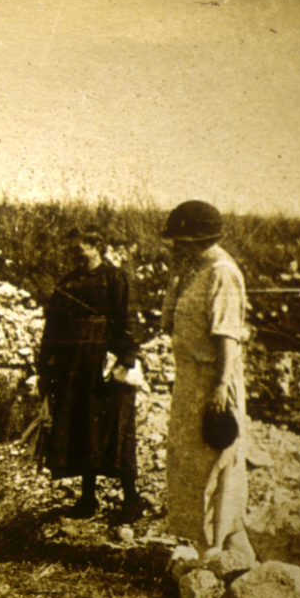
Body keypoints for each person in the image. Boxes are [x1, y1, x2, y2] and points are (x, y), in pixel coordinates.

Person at [160, 200, 256, 561]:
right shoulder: (194, 271)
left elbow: (227, 337)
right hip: (191, 381)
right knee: (191, 462)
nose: (175, 247)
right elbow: (167, 323)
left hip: (213, 381)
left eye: (179, 240)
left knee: (215, 459)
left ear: (195, 238)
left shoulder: (222, 272)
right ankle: (211, 545)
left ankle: (216, 549)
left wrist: (220, 386)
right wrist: (173, 275)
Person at [36, 225, 142, 524]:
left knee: (115, 426)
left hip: (104, 363)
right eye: (73, 248)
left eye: (81, 247)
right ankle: (87, 498)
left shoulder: (115, 278)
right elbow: (51, 328)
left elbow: (127, 319)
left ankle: (131, 499)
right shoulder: (68, 282)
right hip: (73, 366)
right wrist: (44, 368)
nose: (76, 253)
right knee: (82, 427)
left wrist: (126, 359)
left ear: (97, 246)